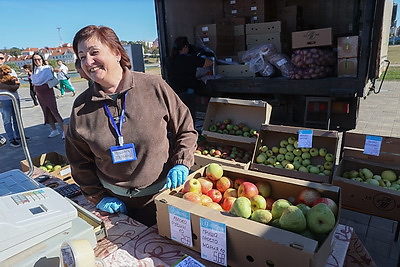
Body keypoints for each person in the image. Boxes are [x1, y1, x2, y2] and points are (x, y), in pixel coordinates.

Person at [65, 25, 198, 227]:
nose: (88, 62)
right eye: (82, 57)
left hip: (163, 198)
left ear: (117, 53)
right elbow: (78, 161)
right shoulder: (81, 107)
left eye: (94, 53)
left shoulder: (154, 86)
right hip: (115, 209)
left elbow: (185, 127)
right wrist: (98, 197)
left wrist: (182, 160)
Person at [166, 36, 213, 121]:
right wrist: (199, 54)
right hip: (187, 92)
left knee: (178, 118)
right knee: (189, 118)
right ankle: (190, 133)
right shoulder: (189, 59)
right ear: (185, 47)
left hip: (173, 92)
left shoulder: (170, 60)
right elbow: (209, 63)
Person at [31, 53, 65, 138]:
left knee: (54, 111)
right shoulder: (34, 70)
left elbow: (49, 76)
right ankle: (54, 130)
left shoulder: (47, 68)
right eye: (35, 60)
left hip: (48, 92)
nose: (37, 61)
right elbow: (34, 82)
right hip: (39, 94)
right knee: (46, 112)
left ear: (42, 59)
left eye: (39, 59)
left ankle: (64, 130)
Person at [0, 52, 22, 147]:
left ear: (4, 58)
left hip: (15, 97)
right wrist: (10, 87)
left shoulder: (11, 70)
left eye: (1, 58)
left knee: (17, 118)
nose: (0, 60)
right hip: (3, 99)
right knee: (7, 119)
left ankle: (20, 135)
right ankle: (11, 138)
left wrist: (14, 86)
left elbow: (17, 82)